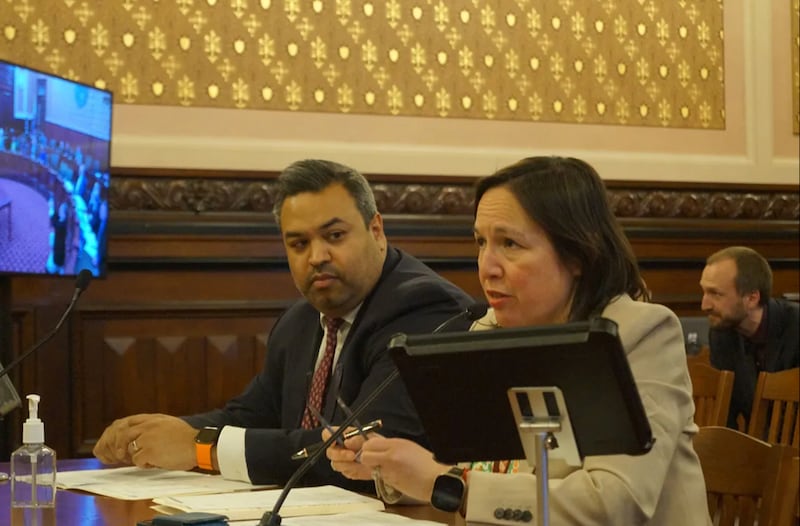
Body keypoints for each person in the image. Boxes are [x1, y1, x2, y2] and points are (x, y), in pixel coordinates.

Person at [327, 156, 710, 525]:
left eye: (510, 244)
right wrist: (390, 465)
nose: (487, 268)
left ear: (578, 253)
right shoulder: (489, 330)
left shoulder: (638, 333)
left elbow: (613, 504)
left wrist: (443, 482)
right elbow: (479, 473)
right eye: (480, 242)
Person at [92, 159, 473, 490]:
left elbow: (358, 453)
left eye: (334, 236)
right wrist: (154, 435)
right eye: (298, 244)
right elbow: (248, 417)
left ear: (376, 230)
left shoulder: (426, 309)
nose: (317, 257)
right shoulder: (301, 320)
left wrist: (198, 446)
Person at [700, 246, 799, 429]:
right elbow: (727, 419)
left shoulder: (795, 326)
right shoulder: (721, 335)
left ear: (752, 298)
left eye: (715, 294)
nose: (704, 305)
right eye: (704, 292)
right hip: (755, 451)